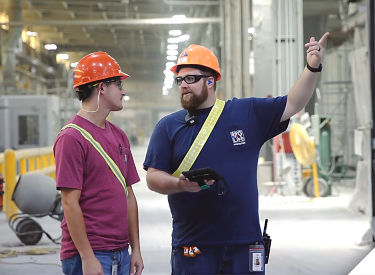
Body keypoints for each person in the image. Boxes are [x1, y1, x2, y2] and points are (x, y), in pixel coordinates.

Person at [143, 33, 329, 275]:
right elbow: (153, 177)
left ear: (210, 81)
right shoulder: (168, 127)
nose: (183, 85)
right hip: (193, 245)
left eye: (190, 78)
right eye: (179, 80)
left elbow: (293, 103)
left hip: (245, 243)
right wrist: (180, 185)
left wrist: (312, 67)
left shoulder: (246, 113)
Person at [54, 52, 144, 275]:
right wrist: (87, 257)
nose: (123, 91)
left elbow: (128, 195)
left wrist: (136, 249)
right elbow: (69, 203)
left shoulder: (119, 135)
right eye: (118, 84)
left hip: (121, 251)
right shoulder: (72, 138)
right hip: (90, 254)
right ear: (101, 87)